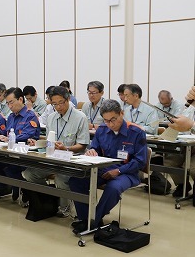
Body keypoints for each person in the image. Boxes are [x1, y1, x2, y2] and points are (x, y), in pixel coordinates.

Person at [68, 100, 147, 234]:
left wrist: (119, 170)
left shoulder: (136, 132)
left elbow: (140, 161)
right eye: (106, 120)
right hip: (103, 170)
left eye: (113, 120)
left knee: (113, 188)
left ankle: (92, 221)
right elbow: (96, 149)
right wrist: (91, 151)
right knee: (76, 181)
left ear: (121, 114)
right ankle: (86, 219)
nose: (110, 124)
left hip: (127, 172)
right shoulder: (102, 130)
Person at [24, 86, 90, 215]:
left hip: (72, 160)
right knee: (30, 174)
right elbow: (49, 141)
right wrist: (37, 143)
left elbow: (82, 145)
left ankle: (64, 207)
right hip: (54, 158)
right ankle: (50, 198)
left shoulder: (80, 117)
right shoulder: (51, 117)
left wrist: (66, 148)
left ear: (68, 99)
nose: (58, 107)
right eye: (55, 104)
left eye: (61, 103)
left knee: (61, 179)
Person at [0, 87, 41, 203]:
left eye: (11, 102)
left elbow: (27, 135)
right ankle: (13, 188)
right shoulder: (11, 117)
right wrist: (0, 134)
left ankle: (24, 191)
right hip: (11, 152)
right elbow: (7, 132)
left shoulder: (30, 116)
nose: (9, 106)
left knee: (11, 168)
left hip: (26, 155)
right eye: (7, 103)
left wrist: (10, 139)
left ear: (20, 99)